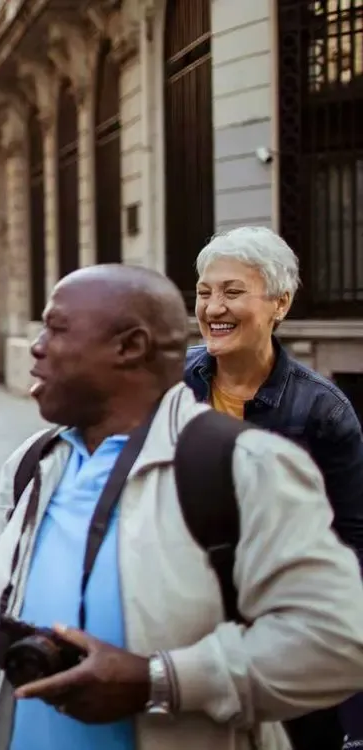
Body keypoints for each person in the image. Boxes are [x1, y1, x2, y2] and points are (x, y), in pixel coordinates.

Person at [0, 264, 363, 750]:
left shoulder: (242, 465)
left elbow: (337, 642)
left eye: (57, 329)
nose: (36, 347)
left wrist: (158, 679)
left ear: (129, 347)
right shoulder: (35, 464)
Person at [186, 226, 363, 748]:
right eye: (204, 292)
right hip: (187, 630)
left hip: (281, 641)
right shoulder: (173, 388)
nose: (214, 307)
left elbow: (352, 541)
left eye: (233, 292)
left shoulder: (323, 411)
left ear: (280, 303)